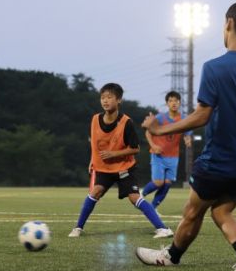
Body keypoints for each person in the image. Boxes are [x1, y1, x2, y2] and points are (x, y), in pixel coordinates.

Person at [135, 1, 236, 271]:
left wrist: (159, 129)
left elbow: (201, 115)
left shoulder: (215, 67)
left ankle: (170, 256)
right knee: (222, 211)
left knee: (193, 211)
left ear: (228, 23)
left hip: (220, 159)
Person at [68, 83, 174, 238]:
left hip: (124, 168)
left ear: (119, 100)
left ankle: (163, 229)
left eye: (109, 97)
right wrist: (92, 160)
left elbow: (135, 148)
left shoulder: (126, 122)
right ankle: (78, 228)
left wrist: (114, 154)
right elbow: (94, 143)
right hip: (104, 168)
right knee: (95, 192)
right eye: (103, 97)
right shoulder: (95, 119)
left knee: (134, 198)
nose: (105, 101)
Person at [142, 91, 192, 212]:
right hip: (158, 155)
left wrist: (188, 140)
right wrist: (153, 145)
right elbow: (148, 132)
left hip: (173, 156)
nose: (173, 103)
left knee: (167, 183)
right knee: (158, 183)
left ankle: (152, 208)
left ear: (180, 102)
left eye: (176, 100)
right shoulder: (160, 118)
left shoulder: (184, 119)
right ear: (167, 103)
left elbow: (187, 133)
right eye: (170, 101)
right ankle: (140, 195)